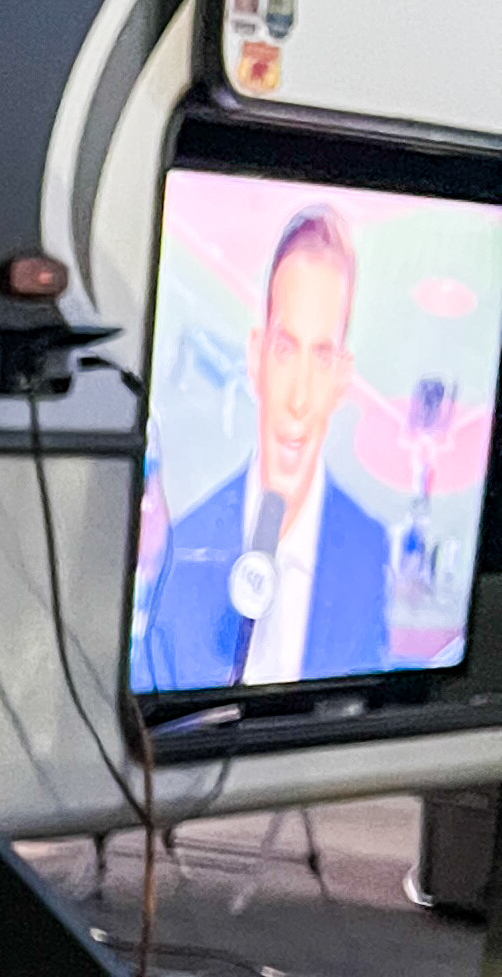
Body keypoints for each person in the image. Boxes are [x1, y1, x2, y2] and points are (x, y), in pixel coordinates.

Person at [138, 205, 392, 691]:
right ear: (256, 358)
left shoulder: (367, 551)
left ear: (342, 377)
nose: (298, 399)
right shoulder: (185, 546)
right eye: (285, 350)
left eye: (322, 357)